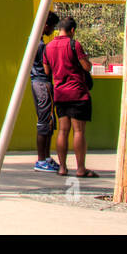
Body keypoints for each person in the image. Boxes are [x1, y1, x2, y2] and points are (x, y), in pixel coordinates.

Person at [44, 17, 98, 178]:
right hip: (77, 93)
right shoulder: (74, 45)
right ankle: (80, 168)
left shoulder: (49, 47)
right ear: (72, 30)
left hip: (60, 93)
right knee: (79, 131)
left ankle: (62, 167)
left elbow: (47, 71)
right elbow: (86, 66)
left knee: (62, 131)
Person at [31, 11, 61, 172]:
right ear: (46, 25)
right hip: (42, 83)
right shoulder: (41, 46)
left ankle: (46, 157)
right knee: (45, 121)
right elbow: (47, 69)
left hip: (38, 83)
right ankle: (42, 159)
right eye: (52, 26)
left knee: (48, 121)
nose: (52, 30)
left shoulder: (35, 41)